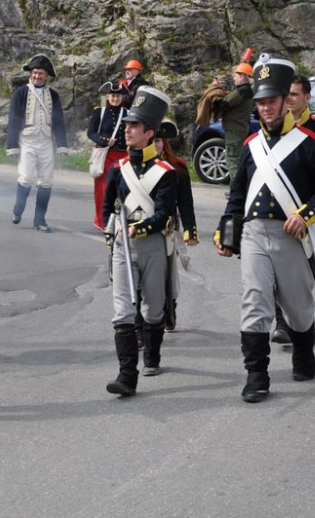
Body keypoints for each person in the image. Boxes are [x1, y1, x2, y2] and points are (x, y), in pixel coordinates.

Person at [214, 55, 315, 403]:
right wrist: (226, 231)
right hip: (255, 234)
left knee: (299, 309)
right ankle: (257, 375)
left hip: (292, 236)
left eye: (271, 101)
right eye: (260, 102)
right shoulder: (249, 146)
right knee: (254, 302)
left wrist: (307, 214)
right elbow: (238, 194)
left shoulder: (310, 142)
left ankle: (304, 353)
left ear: (286, 100)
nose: (265, 108)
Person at [102, 86, 176, 395]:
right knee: (122, 310)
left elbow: (163, 214)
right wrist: (112, 233)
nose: (128, 130)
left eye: (134, 126)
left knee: (154, 308)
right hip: (122, 245)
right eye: (128, 125)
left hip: (152, 245)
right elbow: (107, 207)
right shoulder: (118, 169)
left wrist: (140, 228)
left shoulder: (166, 173)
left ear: (150, 133)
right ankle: (126, 376)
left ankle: (153, 356)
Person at [270, 74, 315, 346]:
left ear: (307, 97)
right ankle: (281, 323)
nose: (289, 99)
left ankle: (297, 321)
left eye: (295, 95)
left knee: (300, 273)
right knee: (273, 271)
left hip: (305, 212)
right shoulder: (271, 128)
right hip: (274, 212)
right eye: (285, 94)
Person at [6, 54, 68, 232]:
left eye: (40, 73)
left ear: (46, 75)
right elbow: (14, 120)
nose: (36, 76)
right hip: (27, 141)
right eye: (34, 73)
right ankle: (18, 209)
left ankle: (40, 219)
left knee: (46, 181)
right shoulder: (21, 93)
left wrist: (62, 146)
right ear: (30, 74)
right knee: (25, 178)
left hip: (46, 142)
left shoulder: (53, 95)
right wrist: (12, 146)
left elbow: (58, 121)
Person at [154, 119, 198, 331]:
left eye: (159, 140)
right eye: (152, 140)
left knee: (168, 274)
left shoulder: (178, 167)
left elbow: (185, 203)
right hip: (141, 227)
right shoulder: (131, 167)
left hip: (168, 228)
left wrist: (190, 230)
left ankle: (169, 308)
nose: (155, 145)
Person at [87, 81, 128, 230]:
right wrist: (104, 140)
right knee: (103, 190)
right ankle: (102, 221)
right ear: (108, 96)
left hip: (123, 155)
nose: (115, 99)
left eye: (118, 96)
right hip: (105, 155)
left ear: (121, 97)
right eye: (112, 96)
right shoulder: (100, 112)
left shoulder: (128, 113)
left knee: (121, 190)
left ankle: (118, 221)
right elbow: (91, 133)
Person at [218, 61, 254, 182]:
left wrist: (214, 93)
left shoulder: (242, 91)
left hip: (234, 131)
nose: (234, 78)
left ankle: (236, 189)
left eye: (235, 75)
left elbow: (224, 104)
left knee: (232, 160)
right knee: (238, 159)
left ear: (243, 76)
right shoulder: (248, 91)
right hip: (241, 130)